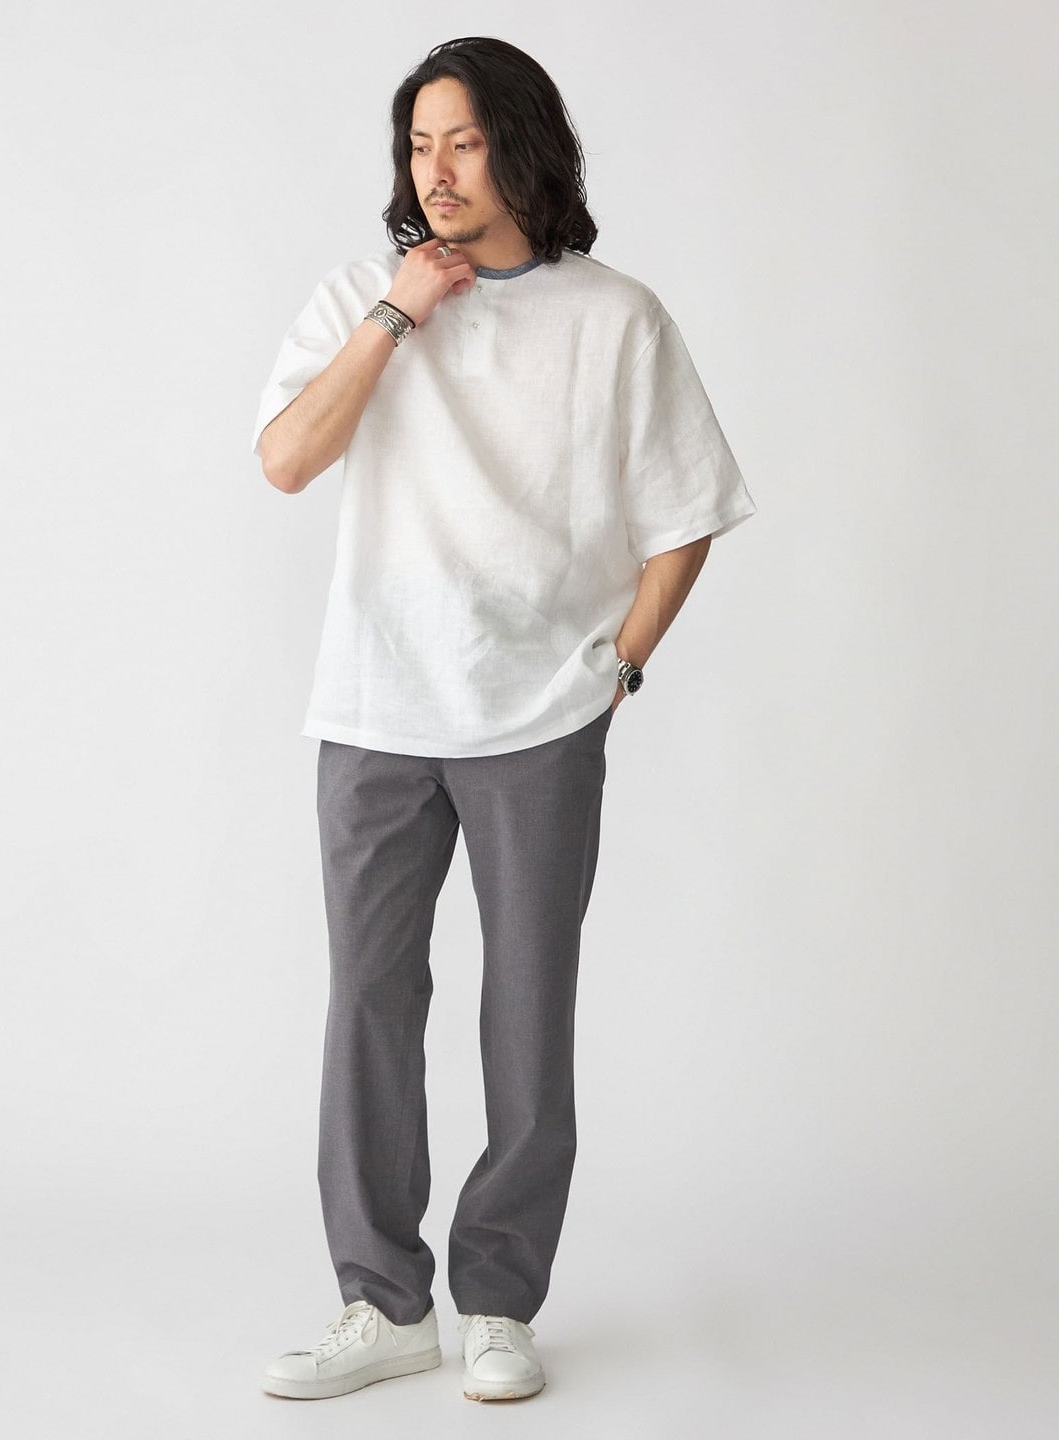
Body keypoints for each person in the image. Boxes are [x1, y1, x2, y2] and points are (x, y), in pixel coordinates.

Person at [248, 35, 756, 1404]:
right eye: (419, 146)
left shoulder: (616, 318)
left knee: (528, 1011)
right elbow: (287, 459)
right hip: (374, 709)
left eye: (463, 141)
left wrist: (619, 669)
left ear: (522, 145)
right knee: (369, 1004)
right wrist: (397, 313)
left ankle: (498, 1303)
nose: (437, 170)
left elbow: (687, 513)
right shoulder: (362, 295)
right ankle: (381, 1304)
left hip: (539, 719)